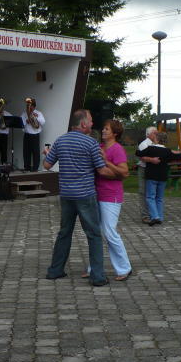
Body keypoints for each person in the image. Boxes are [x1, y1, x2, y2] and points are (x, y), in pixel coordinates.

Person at [43, 109, 118, 287]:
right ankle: (97, 277)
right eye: (90, 121)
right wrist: (119, 174)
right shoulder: (91, 143)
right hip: (85, 195)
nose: (92, 124)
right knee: (93, 235)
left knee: (64, 232)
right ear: (83, 124)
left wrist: (47, 153)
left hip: (66, 195)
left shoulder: (60, 140)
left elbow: (46, 165)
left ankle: (55, 270)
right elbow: (101, 171)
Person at [82, 119, 132, 281]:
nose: (103, 131)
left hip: (111, 195)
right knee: (95, 232)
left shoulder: (117, 149)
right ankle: (94, 268)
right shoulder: (100, 147)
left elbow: (124, 173)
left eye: (107, 129)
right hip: (95, 193)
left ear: (115, 133)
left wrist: (107, 162)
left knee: (109, 232)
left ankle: (124, 268)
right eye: (103, 128)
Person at [136, 132, 181, 226]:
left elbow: (138, 153)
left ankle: (155, 216)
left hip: (151, 176)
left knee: (150, 197)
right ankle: (160, 217)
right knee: (159, 198)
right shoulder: (167, 151)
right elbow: (178, 156)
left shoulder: (150, 148)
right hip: (162, 176)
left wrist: (149, 157)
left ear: (156, 139)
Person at [136, 127, 159, 223]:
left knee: (152, 192)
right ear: (149, 134)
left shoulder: (156, 144)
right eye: (155, 133)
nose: (157, 135)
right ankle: (145, 215)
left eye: (157, 133)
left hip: (153, 170)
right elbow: (142, 157)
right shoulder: (144, 144)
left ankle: (153, 213)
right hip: (144, 169)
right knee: (143, 192)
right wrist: (152, 160)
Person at [21, 98, 45, 172]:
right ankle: (27, 168)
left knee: (36, 152)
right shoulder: (24, 114)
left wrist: (36, 117)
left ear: (34, 107)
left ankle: (35, 169)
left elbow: (43, 122)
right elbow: (21, 124)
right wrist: (26, 121)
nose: (30, 108)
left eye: (31, 106)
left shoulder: (38, 113)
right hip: (27, 135)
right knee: (26, 152)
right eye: (29, 106)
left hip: (35, 135)